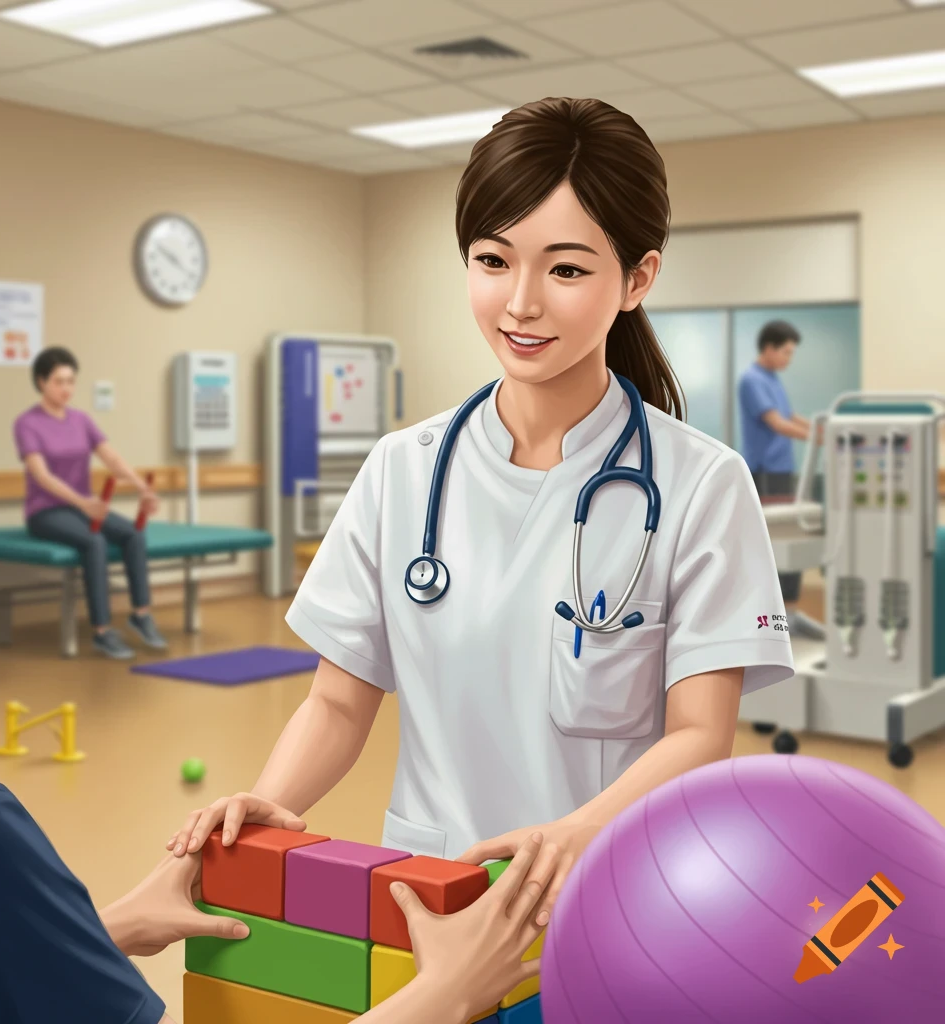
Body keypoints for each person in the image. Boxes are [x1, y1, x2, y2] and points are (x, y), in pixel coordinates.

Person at [0, 211, 564, 1022]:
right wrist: (443, 996)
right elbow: (339, 695)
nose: (524, 300)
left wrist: (92, 928)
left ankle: (132, 617)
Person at [167, 98, 793, 895]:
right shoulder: (403, 471)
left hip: (613, 893)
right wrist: (272, 799)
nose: (521, 302)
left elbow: (702, 736)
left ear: (637, 278)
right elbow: (337, 702)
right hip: (433, 891)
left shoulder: (702, 484)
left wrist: (573, 837)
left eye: (566, 269)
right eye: (493, 261)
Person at [14, 345, 167, 658]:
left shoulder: (81, 420)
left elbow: (111, 457)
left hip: (82, 507)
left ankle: (141, 614)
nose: (66, 388)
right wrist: (84, 503)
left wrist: (142, 488)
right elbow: (42, 476)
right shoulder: (27, 423)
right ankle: (102, 631)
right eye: (59, 381)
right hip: (46, 511)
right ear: (42, 382)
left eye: (71, 381)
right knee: (94, 542)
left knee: (134, 534)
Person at [738, 320, 820, 634]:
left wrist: (822, 428)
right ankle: (772, 621)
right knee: (773, 545)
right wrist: (818, 439)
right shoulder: (752, 380)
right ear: (769, 348)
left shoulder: (771, 378)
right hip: (765, 473)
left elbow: (791, 417)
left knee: (794, 536)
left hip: (782, 470)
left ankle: (792, 614)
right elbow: (777, 424)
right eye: (785, 352)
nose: (789, 359)